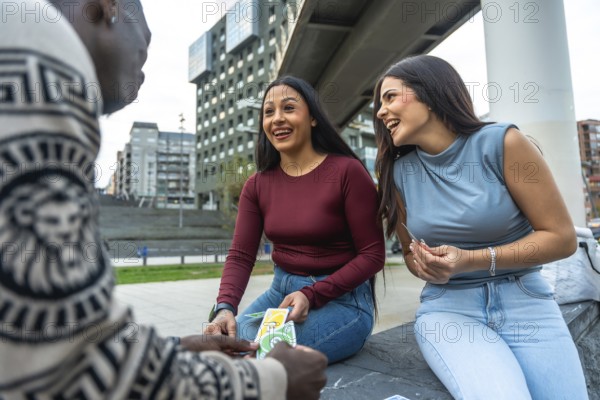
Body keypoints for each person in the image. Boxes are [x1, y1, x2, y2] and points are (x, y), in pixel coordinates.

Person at [0, 0, 326, 399]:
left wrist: (175, 349)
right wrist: (273, 380)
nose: (142, 71)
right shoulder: (37, 55)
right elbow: (70, 365)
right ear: (108, 7)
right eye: (145, 47)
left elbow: (47, 328)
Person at [373, 55, 589, 399]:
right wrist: (426, 265)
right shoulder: (397, 173)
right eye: (379, 104)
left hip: (527, 300)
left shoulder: (504, 143)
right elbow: (414, 259)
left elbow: (561, 238)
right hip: (450, 310)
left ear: (429, 93)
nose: (381, 112)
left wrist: (471, 259)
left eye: (389, 97)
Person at [204, 76, 386, 364]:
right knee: (221, 347)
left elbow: (373, 255)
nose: (277, 119)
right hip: (281, 293)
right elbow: (240, 255)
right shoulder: (257, 185)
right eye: (268, 112)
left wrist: (312, 294)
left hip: (343, 301)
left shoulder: (347, 172)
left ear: (313, 118)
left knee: (258, 357)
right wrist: (225, 307)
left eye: (288, 108)